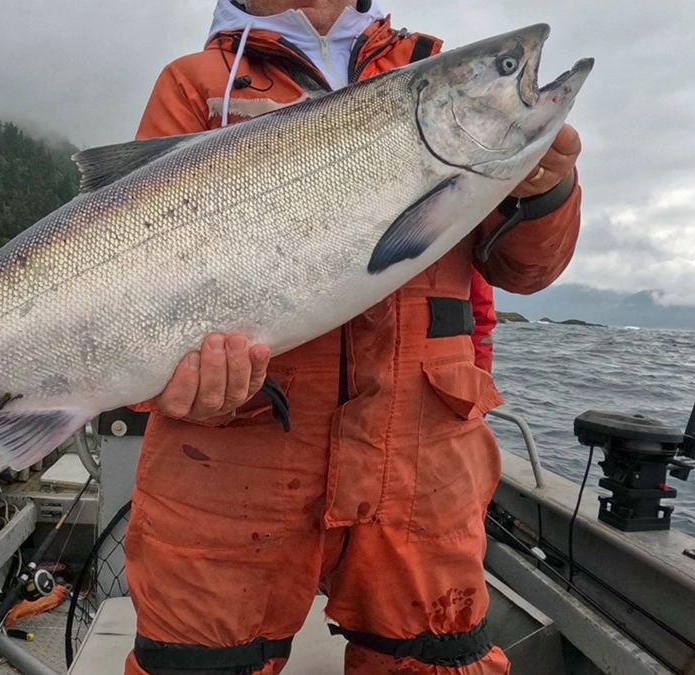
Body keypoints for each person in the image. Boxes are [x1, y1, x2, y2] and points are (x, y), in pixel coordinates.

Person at [122, 1, 582, 674]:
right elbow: (126, 272)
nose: (515, 76)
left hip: (422, 461)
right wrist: (171, 383)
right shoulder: (197, 83)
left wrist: (547, 191)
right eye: (506, 67)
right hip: (228, 456)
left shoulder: (434, 71)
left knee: (437, 662)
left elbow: (526, 268)